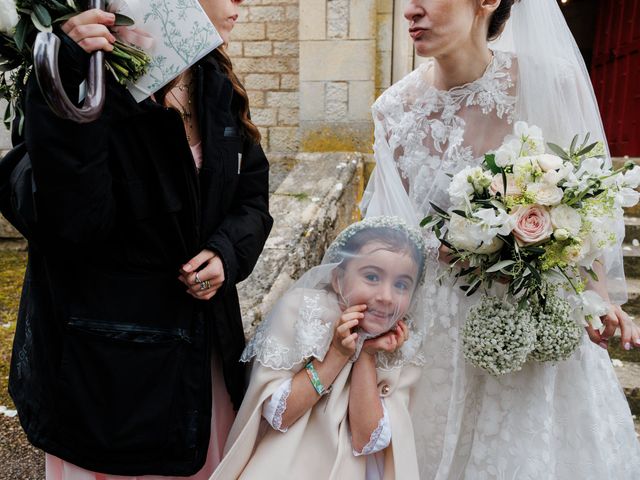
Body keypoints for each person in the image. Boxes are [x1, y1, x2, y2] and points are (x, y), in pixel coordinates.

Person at [362, 0, 640, 478]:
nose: (411, 9)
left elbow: (585, 210)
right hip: (432, 341)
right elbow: (384, 238)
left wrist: (596, 301)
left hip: (531, 330)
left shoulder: (549, 83)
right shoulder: (393, 111)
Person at [8, 0, 272, 478]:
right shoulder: (88, 81)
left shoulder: (216, 79)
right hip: (107, 381)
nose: (241, 3)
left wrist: (224, 253)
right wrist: (69, 76)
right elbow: (74, 223)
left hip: (199, 365)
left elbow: (251, 198)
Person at [211, 217, 431, 479]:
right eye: (372, 276)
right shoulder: (303, 311)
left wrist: (366, 357)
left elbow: (365, 440)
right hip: (286, 461)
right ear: (338, 279)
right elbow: (279, 415)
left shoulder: (403, 345)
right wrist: (337, 354)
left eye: (401, 285)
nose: (386, 296)